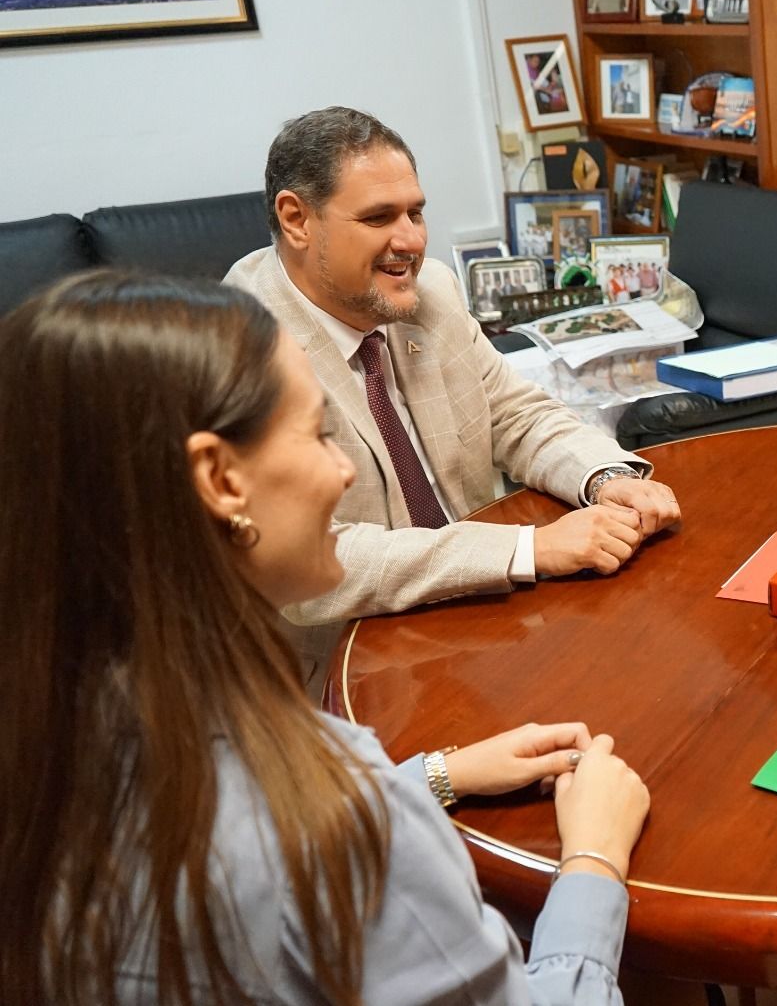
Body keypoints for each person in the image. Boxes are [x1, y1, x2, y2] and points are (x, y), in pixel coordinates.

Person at [0, 271, 651, 1005]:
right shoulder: (344, 836)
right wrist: (594, 858)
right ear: (219, 478)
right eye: (316, 434)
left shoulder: (46, 748)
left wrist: (433, 776)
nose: (343, 471)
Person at [225, 107, 680, 682]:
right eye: (378, 217)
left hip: (481, 619)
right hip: (341, 671)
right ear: (296, 220)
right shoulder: (242, 348)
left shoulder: (429, 289)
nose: (411, 241)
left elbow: (516, 414)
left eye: (416, 212)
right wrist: (525, 550)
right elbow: (305, 563)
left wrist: (604, 477)